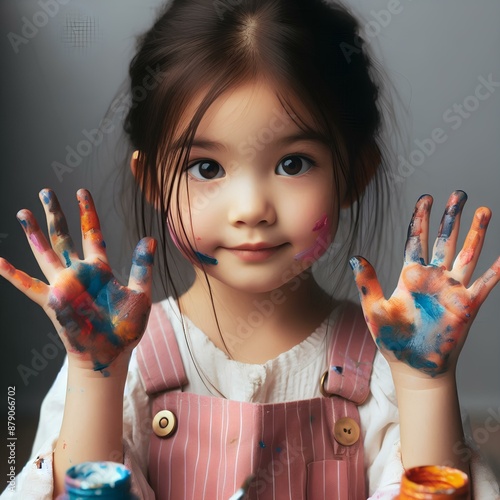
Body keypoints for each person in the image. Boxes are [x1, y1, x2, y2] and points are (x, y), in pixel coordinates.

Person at [1, 0, 499, 498]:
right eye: (206, 168)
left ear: (353, 174)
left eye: (293, 163)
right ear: (152, 182)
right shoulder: (114, 360)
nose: (252, 208)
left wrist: (424, 386)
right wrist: (96, 377)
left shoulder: (388, 371)